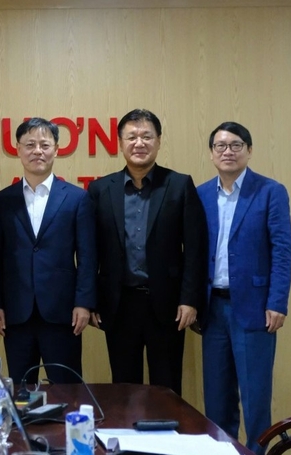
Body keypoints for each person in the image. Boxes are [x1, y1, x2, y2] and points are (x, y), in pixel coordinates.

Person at [87, 108, 207, 396]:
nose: (139, 143)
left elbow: (195, 249)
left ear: (159, 141)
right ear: (120, 142)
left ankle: (168, 441)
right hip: (118, 304)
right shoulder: (100, 189)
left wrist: (190, 300)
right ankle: (127, 441)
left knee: (167, 388)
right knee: (123, 387)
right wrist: (90, 301)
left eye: (146, 136)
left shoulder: (179, 185)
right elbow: (90, 251)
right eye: (132, 137)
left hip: (166, 305)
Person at [197, 122, 291, 455]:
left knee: (255, 399)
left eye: (236, 145)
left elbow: (282, 250)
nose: (228, 151)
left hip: (255, 307)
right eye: (221, 146)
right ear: (211, 154)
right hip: (213, 309)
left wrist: (277, 301)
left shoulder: (270, 191)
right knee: (217, 399)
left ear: (249, 151)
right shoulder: (201, 194)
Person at [0, 117, 97, 384]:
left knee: (67, 386)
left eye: (45, 145)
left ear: (57, 149)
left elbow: (87, 256)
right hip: (16, 312)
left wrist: (83, 303)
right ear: (18, 149)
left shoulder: (77, 197)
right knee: (22, 388)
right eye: (30, 145)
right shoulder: (2, 200)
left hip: (63, 312)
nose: (38, 151)